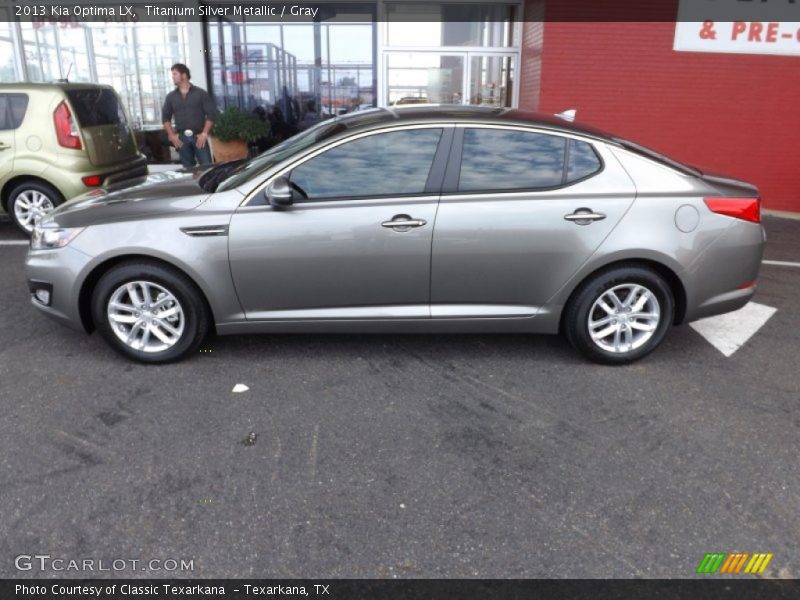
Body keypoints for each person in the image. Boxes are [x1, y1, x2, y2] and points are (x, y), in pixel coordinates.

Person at [162, 63, 217, 168]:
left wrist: (204, 134)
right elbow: (165, 118)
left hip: (199, 137)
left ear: (184, 75)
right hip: (181, 139)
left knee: (207, 167)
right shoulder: (171, 97)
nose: (172, 77)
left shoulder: (200, 94)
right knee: (187, 170)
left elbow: (211, 114)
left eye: (175, 74)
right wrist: (172, 136)